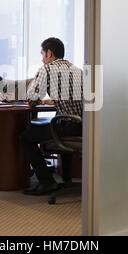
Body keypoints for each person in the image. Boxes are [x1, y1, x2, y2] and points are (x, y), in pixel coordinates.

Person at [20, 37, 83, 196]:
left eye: (42, 54)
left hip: (69, 126)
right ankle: (67, 179)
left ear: (49, 53)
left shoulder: (46, 69)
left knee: (26, 137)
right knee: (60, 120)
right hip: (86, 126)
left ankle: (46, 182)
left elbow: (32, 99)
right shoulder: (78, 70)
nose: (42, 59)